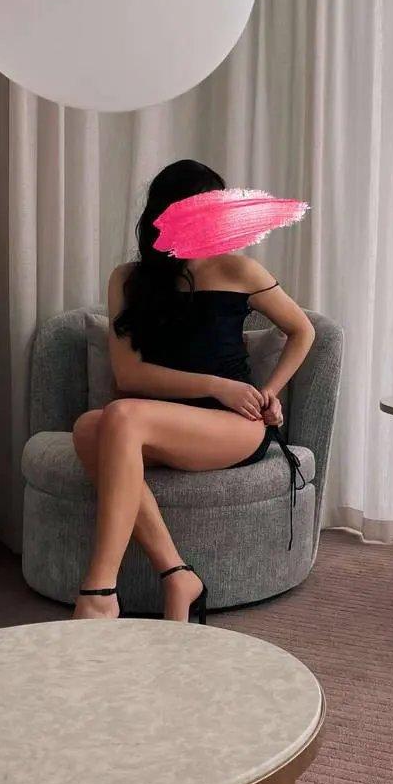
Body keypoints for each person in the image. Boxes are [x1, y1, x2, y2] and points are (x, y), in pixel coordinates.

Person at [71, 160, 315, 621]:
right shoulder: (129, 279)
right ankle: (178, 574)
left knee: (119, 416)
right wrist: (218, 386)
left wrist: (268, 391)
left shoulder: (239, 270)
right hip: (161, 418)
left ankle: (99, 592)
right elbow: (129, 376)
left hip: (234, 426)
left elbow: (303, 331)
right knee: (88, 428)